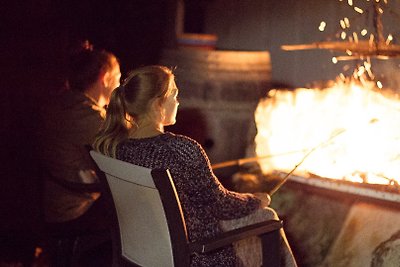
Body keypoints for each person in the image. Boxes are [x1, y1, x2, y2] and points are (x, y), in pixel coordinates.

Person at [93, 65, 297, 266]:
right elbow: (222, 204)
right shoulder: (181, 149)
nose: (178, 103)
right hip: (196, 254)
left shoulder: (117, 149)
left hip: (145, 249)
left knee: (264, 216)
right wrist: (255, 200)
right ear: (158, 104)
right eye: (174, 96)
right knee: (269, 218)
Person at [39, 44, 121, 231]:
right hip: (76, 209)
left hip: (56, 202)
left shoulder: (63, 103)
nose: (119, 85)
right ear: (104, 77)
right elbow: (123, 157)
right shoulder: (87, 116)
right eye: (117, 78)